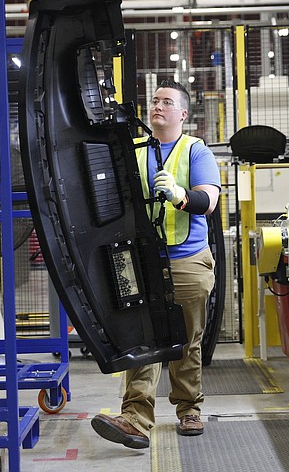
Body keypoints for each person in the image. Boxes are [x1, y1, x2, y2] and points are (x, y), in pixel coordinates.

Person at [91, 79, 221, 449]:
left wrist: (181, 195)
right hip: (142, 261)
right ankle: (134, 418)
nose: (157, 106)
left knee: (187, 339)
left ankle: (189, 409)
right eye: (154, 100)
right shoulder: (133, 151)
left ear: (183, 113)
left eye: (167, 102)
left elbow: (208, 199)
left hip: (187, 258)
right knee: (141, 337)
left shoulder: (196, 150)